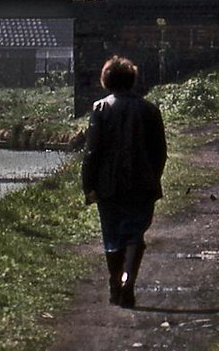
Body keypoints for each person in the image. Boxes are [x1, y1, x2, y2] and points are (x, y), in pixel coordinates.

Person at [81, 54, 167, 308]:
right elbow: (159, 151)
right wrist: (153, 176)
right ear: (132, 80)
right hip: (142, 185)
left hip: (109, 187)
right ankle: (129, 281)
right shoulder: (150, 109)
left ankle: (115, 282)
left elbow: (91, 152)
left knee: (112, 237)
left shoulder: (100, 109)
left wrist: (89, 186)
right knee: (135, 235)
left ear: (106, 80)